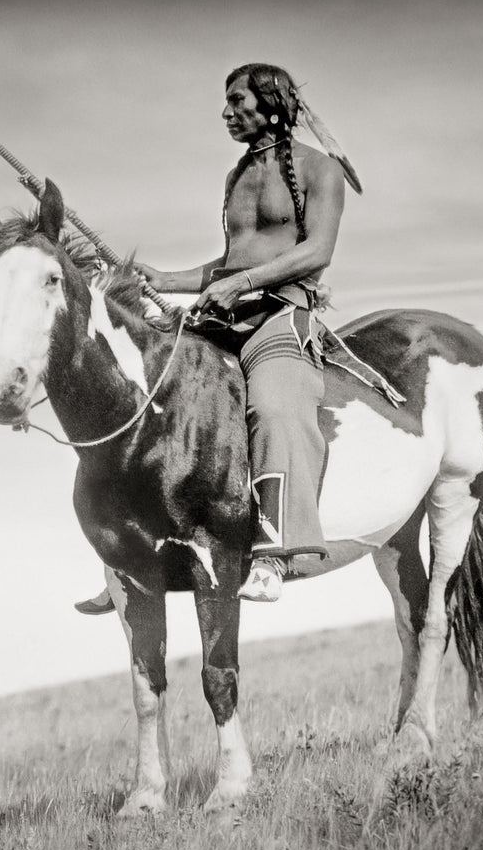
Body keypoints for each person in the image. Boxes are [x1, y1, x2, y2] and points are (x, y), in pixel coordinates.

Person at [75, 62, 361, 613]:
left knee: (274, 408)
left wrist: (243, 285)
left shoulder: (320, 169)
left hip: (281, 315)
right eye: (226, 102)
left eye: (238, 100)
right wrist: (169, 280)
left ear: (272, 104)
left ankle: (273, 556)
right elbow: (232, 261)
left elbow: (317, 251)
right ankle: (126, 553)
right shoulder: (236, 176)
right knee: (144, 384)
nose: (227, 112)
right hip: (224, 315)